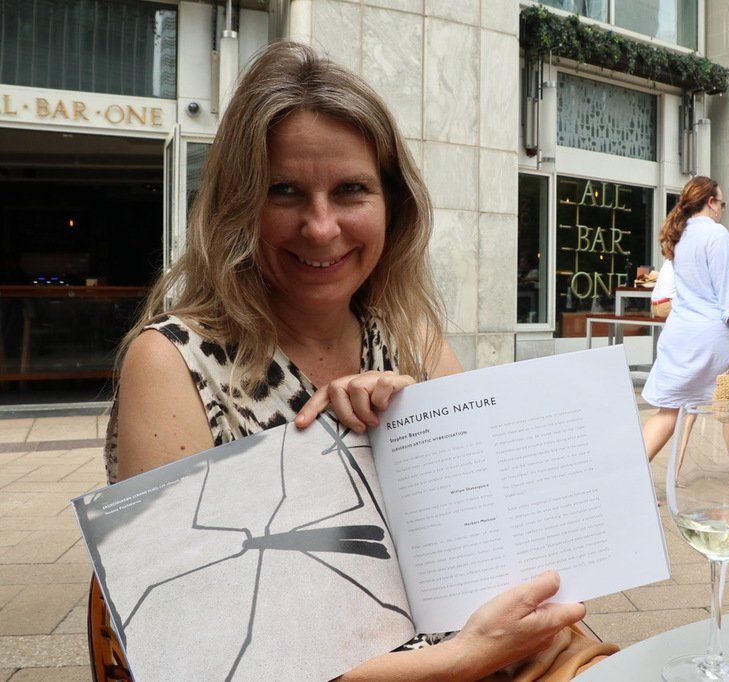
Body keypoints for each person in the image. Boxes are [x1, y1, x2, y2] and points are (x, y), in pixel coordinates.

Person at [104, 42, 588, 680]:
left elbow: (503, 548)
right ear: (236, 206)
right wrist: (464, 659)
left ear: (393, 206)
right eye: (284, 191)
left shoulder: (411, 338)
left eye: (351, 190)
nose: (321, 227)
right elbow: (191, 655)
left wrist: (420, 424)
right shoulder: (172, 363)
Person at [640, 177, 729, 484]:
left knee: (670, 411)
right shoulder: (716, 234)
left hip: (679, 334)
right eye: (722, 203)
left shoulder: (681, 235)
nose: (722, 209)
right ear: (710, 202)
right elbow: (727, 292)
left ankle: (631, 477)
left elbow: (701, 281)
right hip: (711, 335)